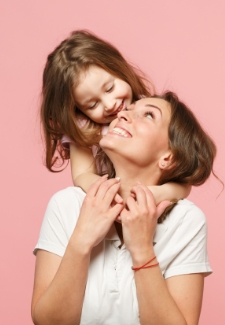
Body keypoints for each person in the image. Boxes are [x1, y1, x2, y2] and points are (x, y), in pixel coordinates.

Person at [32, 92, 216, 325]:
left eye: (148, 115)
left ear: (168, 158)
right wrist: (81, 240)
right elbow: (47, 322)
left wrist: (142, 249)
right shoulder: (66, 204)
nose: (122, 114)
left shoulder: (186, 220)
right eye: (128, 109)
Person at [41, 29, 190, 204]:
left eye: (110, 88)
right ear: (79, 110)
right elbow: (82, 175)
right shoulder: (84, 129)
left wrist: (159, 193)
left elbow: (184, 184)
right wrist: (113, 193)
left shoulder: (146, 111)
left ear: (118, 69)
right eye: (93, 105)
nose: (110, 104)